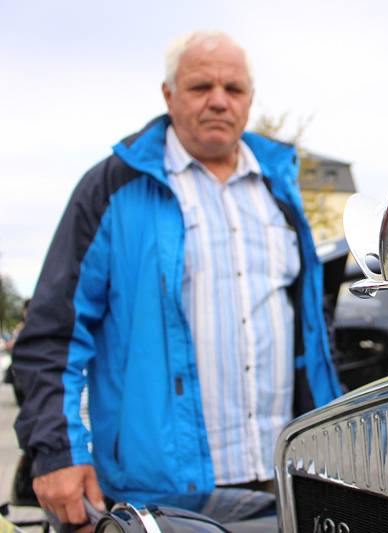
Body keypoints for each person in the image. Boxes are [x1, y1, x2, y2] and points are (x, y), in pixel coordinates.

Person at [12, 31, 342, 528]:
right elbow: (53, 336)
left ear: (250, 100)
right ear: (168, 95)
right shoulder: (113, 188)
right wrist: (57, 452)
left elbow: (311, 331)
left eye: (233, 89)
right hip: (158, 493)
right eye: (199, 86)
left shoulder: (280, 188)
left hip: (285, 478)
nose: (218, 101)